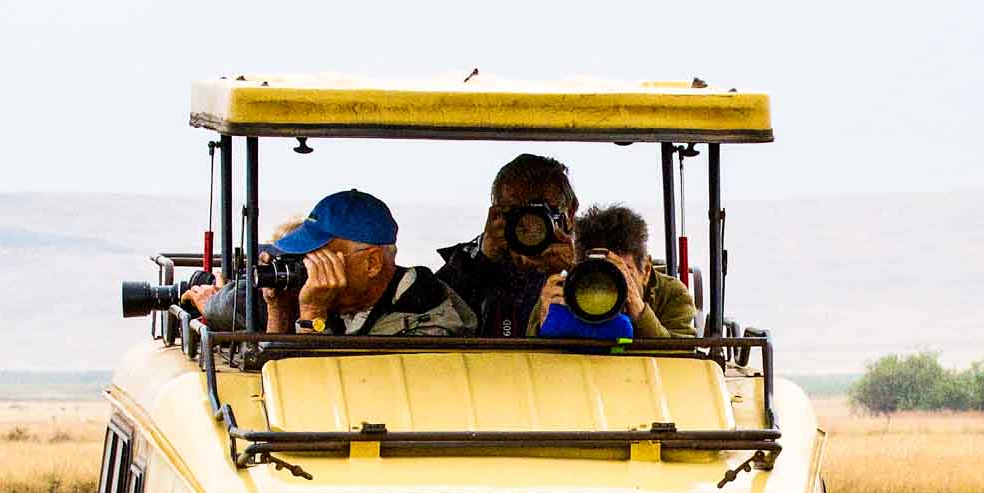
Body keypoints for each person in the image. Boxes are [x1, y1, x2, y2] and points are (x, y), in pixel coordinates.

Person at [183, 189, 474, 337]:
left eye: (317, 255)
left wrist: (312, 313)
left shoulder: (431, 322)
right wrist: (279, 310)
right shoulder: (345, 304)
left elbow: (317, 399)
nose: (306, 266)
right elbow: (271, 383)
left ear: (371, 263)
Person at [435, 154, 579, 338]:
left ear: (570, 211)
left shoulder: (594, 268)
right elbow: (431, 319)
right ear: (496, 213)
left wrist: (571, 275)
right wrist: (482, 263)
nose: (530, 226)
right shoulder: (468, 266)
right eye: (516, 212)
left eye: (543, 212)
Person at [544, 204, 697, 339]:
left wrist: (640, 313)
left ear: (646, 270)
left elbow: (683, 358)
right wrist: (544, 321)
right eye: (595, 279)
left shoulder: (672, 295)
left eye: (623, 272)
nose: (608, 286)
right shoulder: (564, 289)